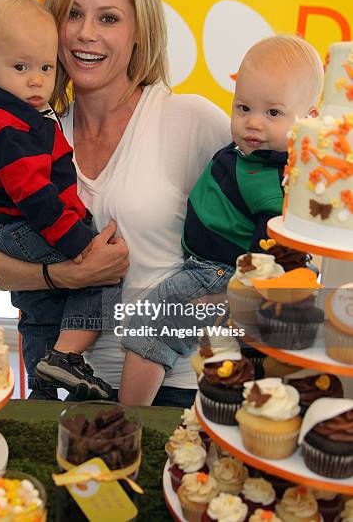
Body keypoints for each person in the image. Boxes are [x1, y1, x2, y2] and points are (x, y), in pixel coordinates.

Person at [0, 0, 230, 405]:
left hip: (175, 391)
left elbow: (267, 266)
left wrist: (168, 325)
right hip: (66, 392)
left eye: (109, 18)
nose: (85, 34)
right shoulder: (33, 132)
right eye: (73, 15)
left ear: (140, 30)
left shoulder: (192, 120)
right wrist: (66, 276)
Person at [118, 34, 324, 405]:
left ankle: (131, 415)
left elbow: (271, 257)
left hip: (221, 274)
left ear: (308, 120)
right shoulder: (251, 154)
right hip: (203, 266)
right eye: (243, 108)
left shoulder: (275, 182)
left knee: (156, 323)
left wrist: (230, 298)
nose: (253, 124)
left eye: (273, 113)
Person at [0, 0, 120, 401]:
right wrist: (78, 246)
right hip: (25, 224)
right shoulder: (11, 127)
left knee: (38, 310)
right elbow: (35, 197)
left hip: (6, 223)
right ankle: (63, 360)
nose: (36, 80)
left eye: (46, 67)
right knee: (104, 277)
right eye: (21, 68)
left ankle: (43, 390)